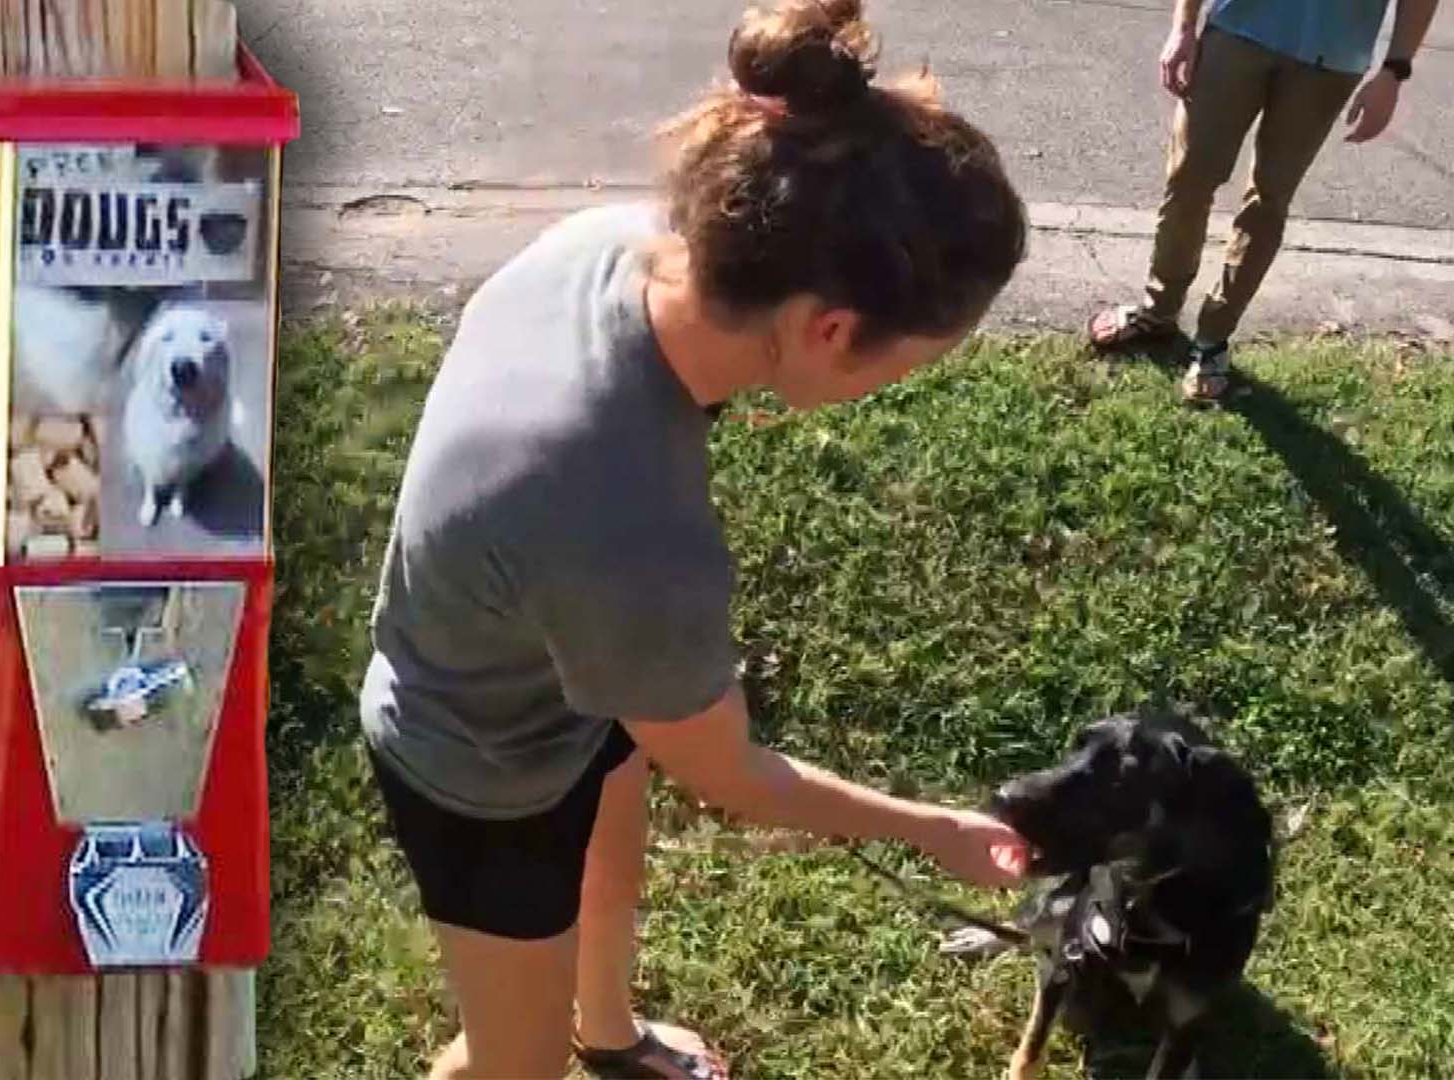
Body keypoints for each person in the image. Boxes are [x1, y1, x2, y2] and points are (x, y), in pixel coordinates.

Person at [357, 2, 1033, 1076]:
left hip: (560, 669)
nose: (901, 386)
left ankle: (609, 1030)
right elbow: (738, 777)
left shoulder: (618, 248)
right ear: (831, 330)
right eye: (915, 362)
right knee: (507, 1064)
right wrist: (937, 830)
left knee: (608, 862)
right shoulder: (628, 528)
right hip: (478, 764)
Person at [1086, 0, 1441, 402]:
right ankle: (1157, 309)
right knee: (1190, 178)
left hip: (1329, 59)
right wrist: (1184, 25)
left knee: (1268, 200)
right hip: (1238, 29)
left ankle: (1212, 340)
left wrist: (1394, 72)